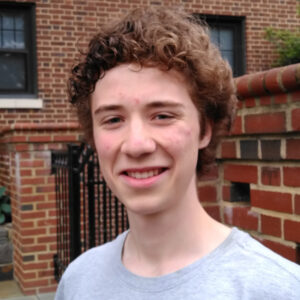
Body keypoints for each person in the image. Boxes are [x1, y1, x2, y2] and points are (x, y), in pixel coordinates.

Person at [55, 6, 300, 300]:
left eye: (162, 115)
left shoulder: (278, 289)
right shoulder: (78, 281)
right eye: (113, 120)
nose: (136, 145)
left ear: (204, 129)